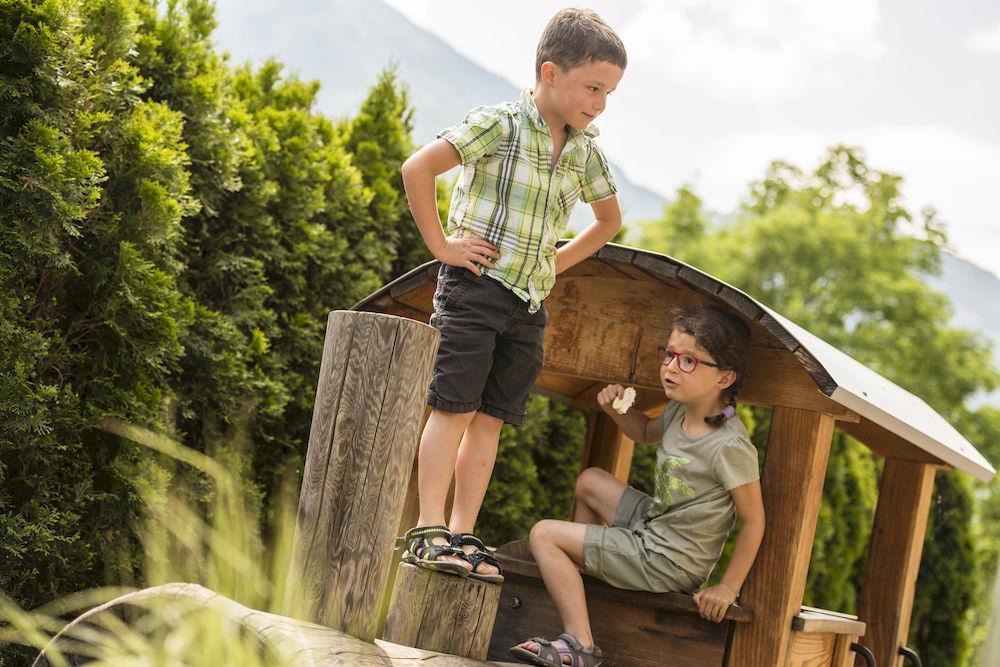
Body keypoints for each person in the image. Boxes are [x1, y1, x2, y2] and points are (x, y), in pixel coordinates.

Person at [397, 8, 627, 583]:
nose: (600, 103)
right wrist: (442, 246)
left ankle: (462, 533)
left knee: (492, 420)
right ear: (550, 72)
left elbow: (607, 222)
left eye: (609, 93)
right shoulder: (500, 124)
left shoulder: (585, 151)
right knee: (453, 408)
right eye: (592, 87)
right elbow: (418, 167)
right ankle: (428, 531)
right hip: (474, 290)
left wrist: (555, 261)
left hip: (528, 304)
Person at [511, 307, 766, 666]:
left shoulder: (729, 446)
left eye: (690, 361)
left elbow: (754, 520)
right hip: (653, 524)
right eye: (670, 354)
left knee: (543, 535)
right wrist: (617, 408)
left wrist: (727, 587)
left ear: (724, 377)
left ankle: (580, 644)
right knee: (590, 481)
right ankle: (581, 569)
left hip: (668, 560)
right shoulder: (681, 410)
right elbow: (646, 433)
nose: (671, 367)